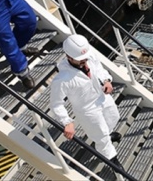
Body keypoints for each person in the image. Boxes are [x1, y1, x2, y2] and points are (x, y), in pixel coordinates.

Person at [49, 34, 123, 168]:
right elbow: (56, 104)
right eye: (80, 59)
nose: (85, 60)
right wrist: (67, 122)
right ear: (69, 57)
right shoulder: (62, 79)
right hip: (88, 109)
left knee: (114, 117)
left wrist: (106, 80)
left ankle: (106, 137)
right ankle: (112, 160)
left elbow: (99, 69)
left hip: (102, 97)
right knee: (100, 134)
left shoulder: (89, 56)